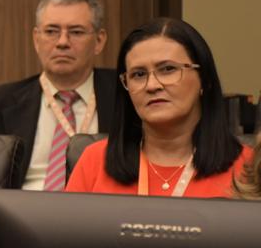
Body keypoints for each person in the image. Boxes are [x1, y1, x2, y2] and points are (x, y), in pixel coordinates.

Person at [66, 18, 251, 196]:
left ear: (204, 79)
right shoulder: (95, 160)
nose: (152, 85)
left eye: (168, 69)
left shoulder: (249, 168)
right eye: (138, 74)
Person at [0, 0, 116, 190]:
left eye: (76, 32)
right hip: (19, 216)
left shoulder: (128, 97)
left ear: (99, 41)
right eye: (52, 31)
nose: (62, 42)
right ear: (36, 39)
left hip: (100, 215)